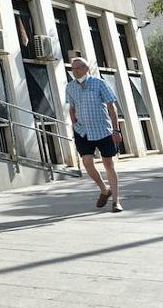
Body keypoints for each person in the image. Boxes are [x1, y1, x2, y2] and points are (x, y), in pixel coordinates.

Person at [65, 57, 123, 212]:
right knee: (87, 162)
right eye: (73, 68)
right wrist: (74, 123)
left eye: (78, 68)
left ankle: (116, 201)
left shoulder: (99, 83)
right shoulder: (70, 87)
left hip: (103, 130)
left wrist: (116, 130)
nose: (75, 71)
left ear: (86, 69)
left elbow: (111, 107)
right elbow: (71, 108)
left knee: (108, 164)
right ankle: (104, 189)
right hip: (82, 131)